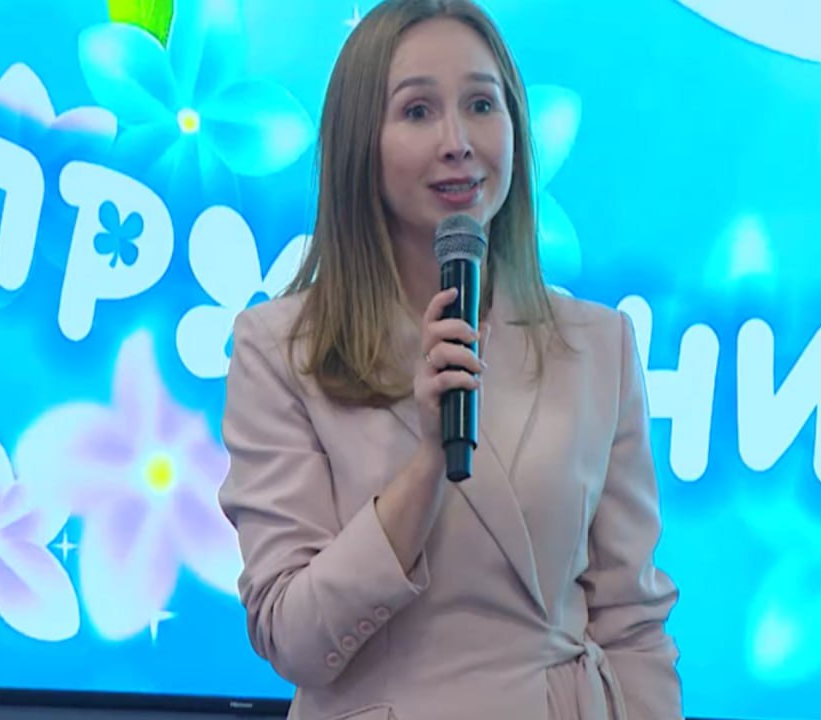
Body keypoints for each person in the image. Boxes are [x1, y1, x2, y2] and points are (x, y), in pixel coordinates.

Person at [218, 1, 682, 718]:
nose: (458, 142)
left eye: (481, 105)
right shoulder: (282, 351)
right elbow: (295, 639)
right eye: (417, 112)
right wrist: (427, 465)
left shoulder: (599, 345)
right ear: (359, 143)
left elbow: (633, 625)